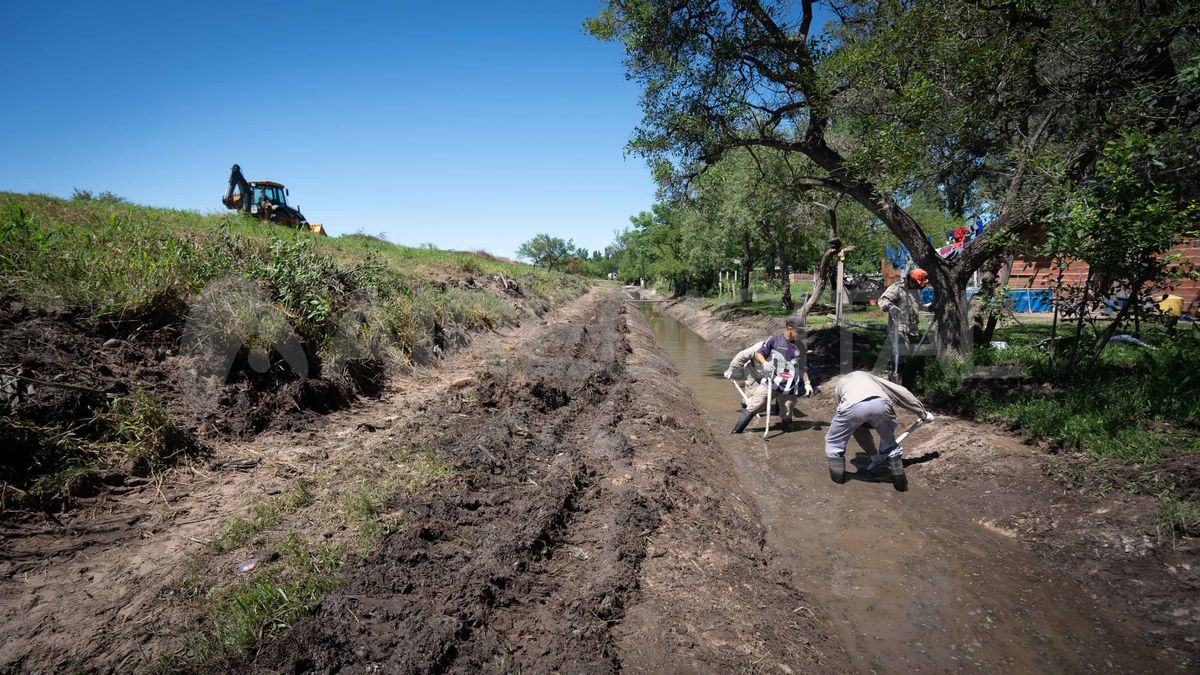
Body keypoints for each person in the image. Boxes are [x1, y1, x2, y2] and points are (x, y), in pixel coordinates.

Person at [824, 370, 934, 491]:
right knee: (889, 443)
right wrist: (922, 414)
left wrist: (872, 454)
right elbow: (902, 393)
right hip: (881, 405)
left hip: (852, 407)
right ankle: (900, 484)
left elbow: (848, 423)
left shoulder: (840, 385)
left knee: (834, 442)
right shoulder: (871, 378)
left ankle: (837, 482)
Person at [729, 317, 813, 434]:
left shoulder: (800, 346)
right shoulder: (774, 340)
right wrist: (765, 363)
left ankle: (786, 433)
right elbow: (759, 353)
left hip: (790, 386)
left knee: (787, 412)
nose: (801, 334)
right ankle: (736, 432)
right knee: (754, 405)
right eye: (799, 331)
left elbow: (803, 367)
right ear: (790, 329)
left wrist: (807, 384)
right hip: (771, 382)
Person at [879, 268, 929, 339]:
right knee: (902, 350)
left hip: (912, 330)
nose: (917, 287)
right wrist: (891, 307)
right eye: (917, 284)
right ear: (910, 279)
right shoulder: (897, 288)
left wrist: (928, 308)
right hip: (898, 330)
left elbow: (917, 305)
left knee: (909, 350)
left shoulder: (914, 290)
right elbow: (883, 300)